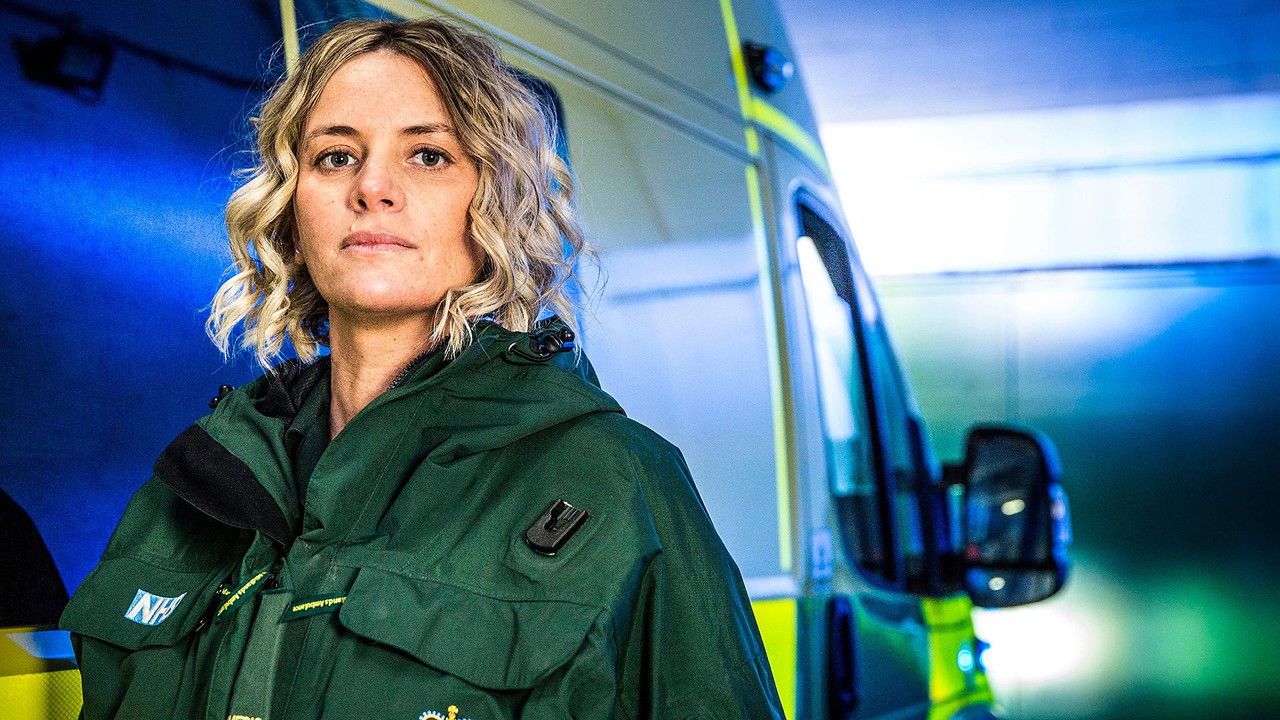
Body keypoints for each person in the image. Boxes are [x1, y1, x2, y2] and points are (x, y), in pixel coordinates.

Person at [60, 17, 785, 720]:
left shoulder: (614, 482)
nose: (371, 187)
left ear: (493, 204)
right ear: (291, 211)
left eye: (428, 155)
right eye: (335, 156)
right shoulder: (195, 485)